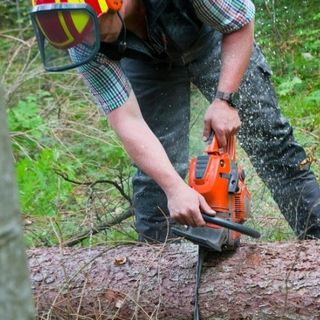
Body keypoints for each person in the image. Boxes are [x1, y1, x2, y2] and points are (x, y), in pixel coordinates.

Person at [30, 0, 320, 242]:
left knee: (273, 143)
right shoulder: (81, 38)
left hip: (215, 38)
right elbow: (127, 120)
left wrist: (225, 99)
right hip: (147, 63)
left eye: (95, 31)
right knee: (155, 185)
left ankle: (314, 247)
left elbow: (240, 22)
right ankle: (163, 289)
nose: (87, 43)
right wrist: (174, 188)